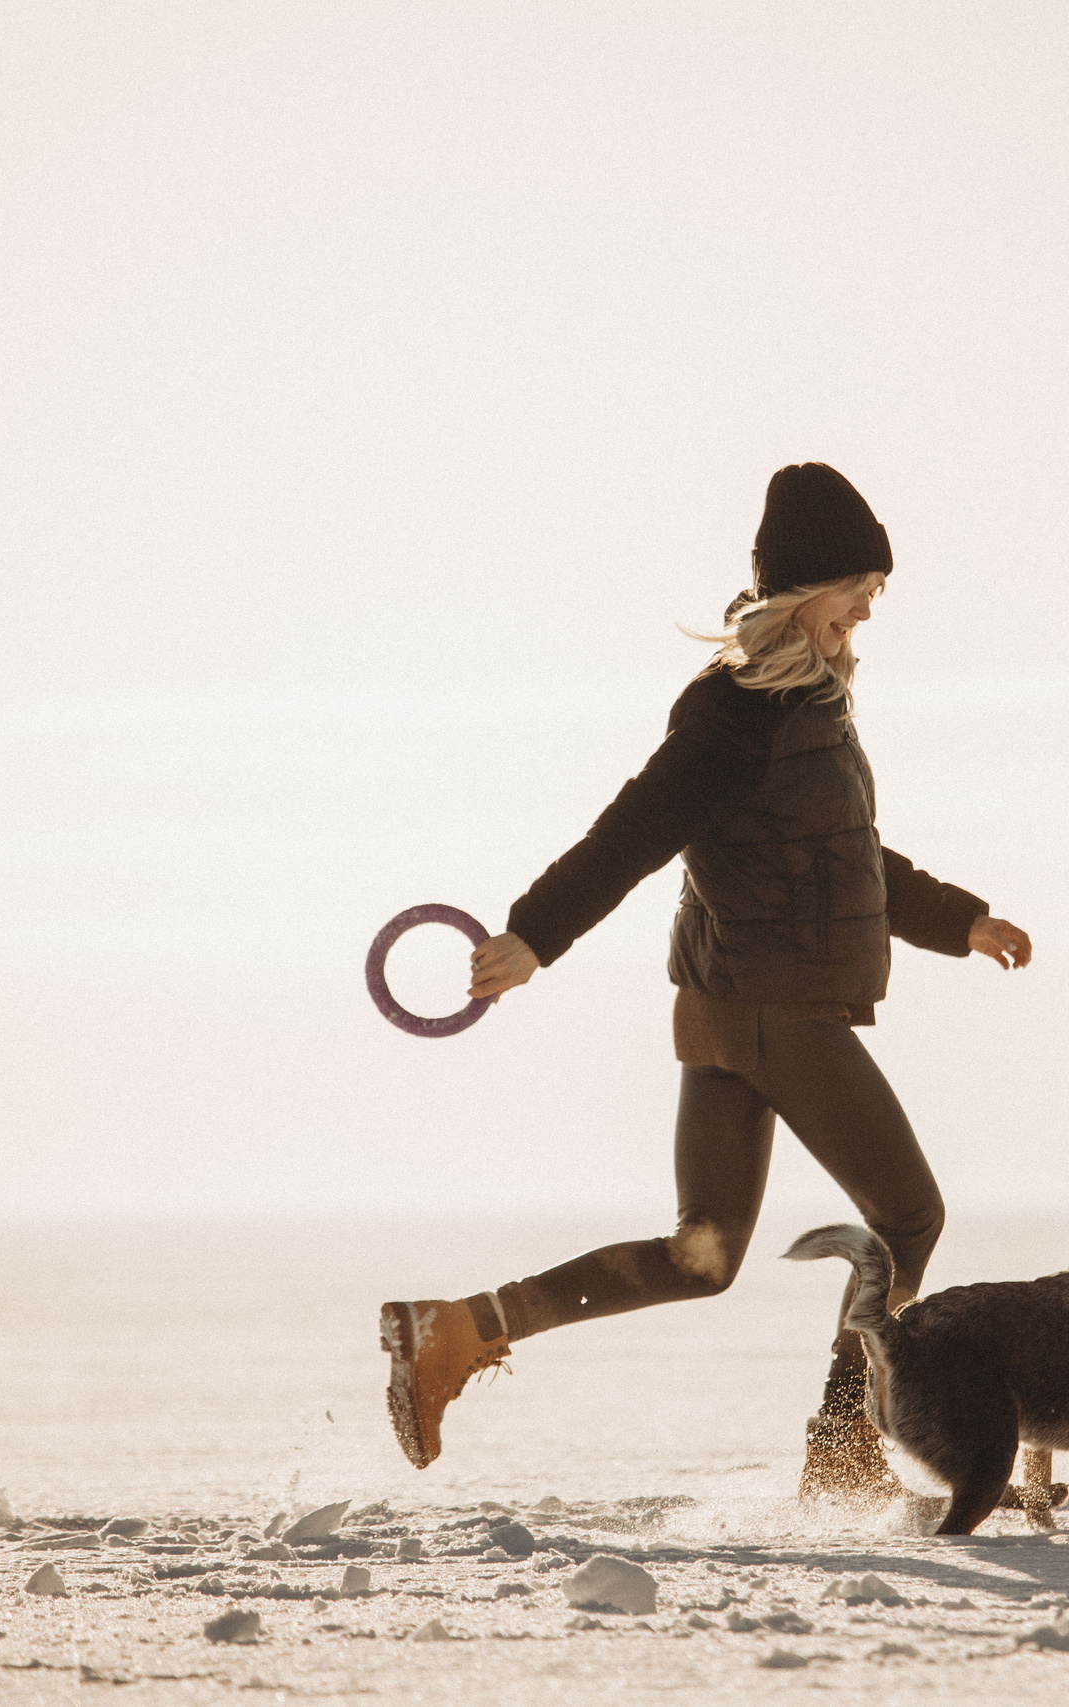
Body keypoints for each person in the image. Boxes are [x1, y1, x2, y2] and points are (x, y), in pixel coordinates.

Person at [378, 462, 1032, 1504]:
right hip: (773, 1011)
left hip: (730, 1011)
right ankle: (843, 1450)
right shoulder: (736, 716)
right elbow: (634, 830)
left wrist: (957, 920)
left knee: (702, 1255)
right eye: (856, 588)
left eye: (875, 592)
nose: (868, 610)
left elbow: (851, 859)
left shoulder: (807, 703)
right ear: (801, 591)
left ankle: (456, 1329)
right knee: (907, 1217)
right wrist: (534, 936)